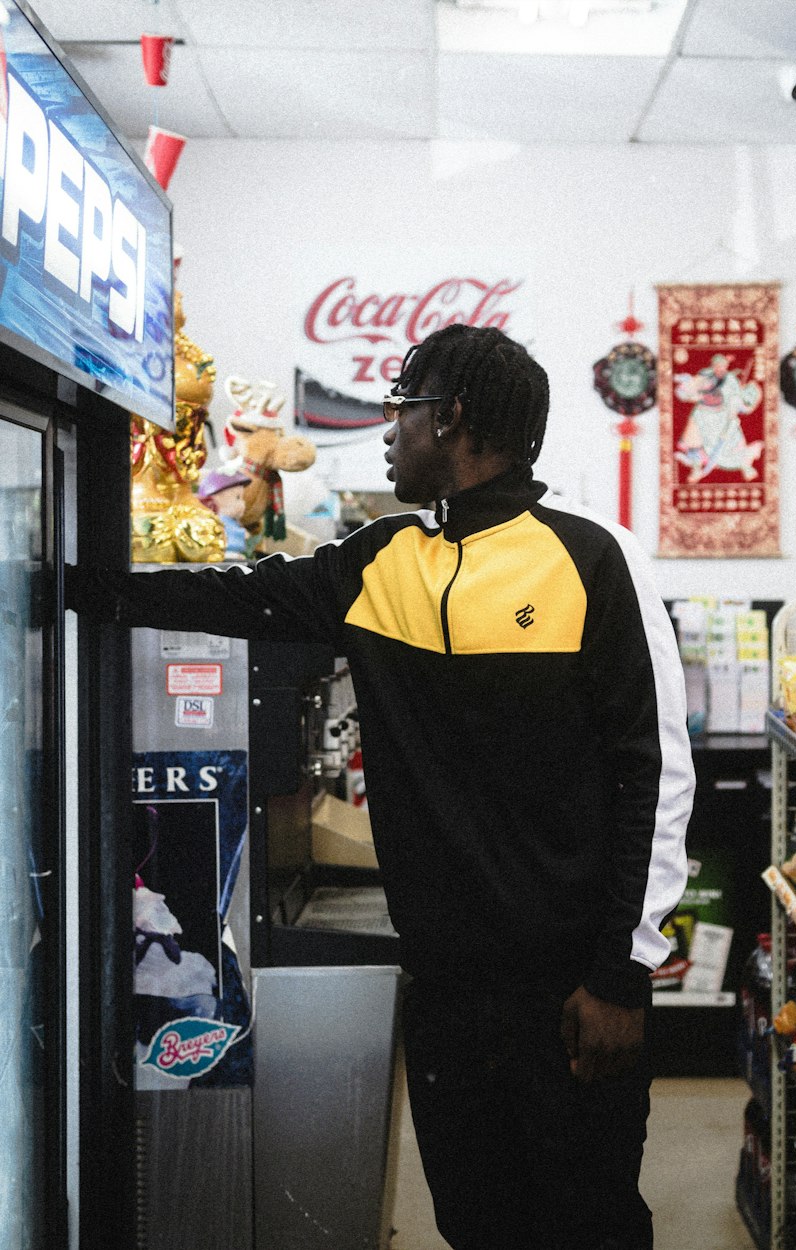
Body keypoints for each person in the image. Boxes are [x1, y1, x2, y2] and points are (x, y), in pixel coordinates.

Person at [71, 323, 695, 1250]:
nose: (389, 434)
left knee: (587, 1221)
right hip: (444, 986)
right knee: (476, 1219)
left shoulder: (594, 559)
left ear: (451, 422)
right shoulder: (381, 560)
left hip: (568, 991)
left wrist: (621, 974)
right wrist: (77, 584)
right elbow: (243, 596)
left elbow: (657, 773)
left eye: (401, 412)